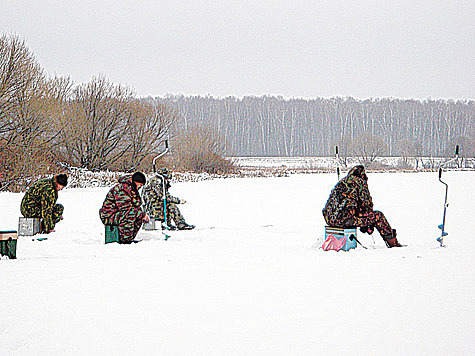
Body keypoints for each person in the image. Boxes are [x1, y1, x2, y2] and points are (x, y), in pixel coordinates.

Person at [322, 165, 402, 248]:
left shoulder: (342, 182)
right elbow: (366, 205)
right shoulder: (359, 182)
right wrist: (368, 225)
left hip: (330, 220)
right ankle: (393, 242)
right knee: (378, 216)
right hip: (344, 220)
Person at [99, 172, 150, 244]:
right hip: (109, 215)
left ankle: (129, 237)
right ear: (136, 182)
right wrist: (143, 215)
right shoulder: (122, 189)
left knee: (138, 214)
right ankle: (125, 240)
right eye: (140, 185)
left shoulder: (132, 189)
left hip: (118, 214)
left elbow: (136, 206)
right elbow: (126, 209)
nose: (140, 187)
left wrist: (142, 215)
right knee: (132, 214)